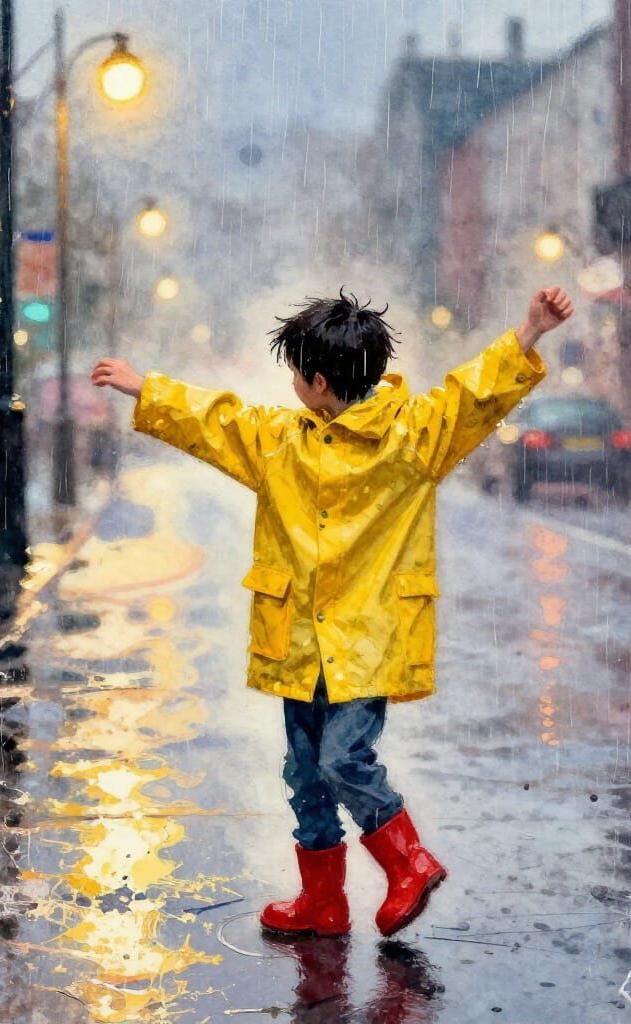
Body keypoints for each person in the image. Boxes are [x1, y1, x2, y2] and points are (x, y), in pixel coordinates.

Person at [90, 285, 573, 938]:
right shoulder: (281, 441)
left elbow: (475, 393)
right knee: (304, 773)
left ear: (317, 383)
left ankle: (409, 862)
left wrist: (528, 333)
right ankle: (322, 901)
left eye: (294, 371)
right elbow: (214, 420)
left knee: (343, 761)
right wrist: (146, 388)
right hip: (298, 642)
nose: (290, 383)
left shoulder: (412, 437)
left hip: (366, 642)